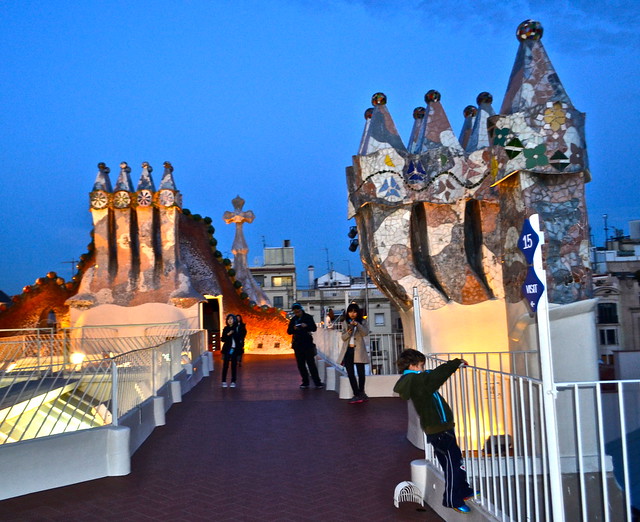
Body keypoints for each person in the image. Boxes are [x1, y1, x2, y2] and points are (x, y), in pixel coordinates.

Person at [393, 349, 476, 514]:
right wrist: (455, 363)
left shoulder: (415, 379)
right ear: (413, 365)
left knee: (452, 462)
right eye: (421, 365)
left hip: (439, 428)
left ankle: (464, 490)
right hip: (440, 429)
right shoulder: (417, 381)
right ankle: (453, 499)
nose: (423, 368)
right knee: (454, 463)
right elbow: (436, 376)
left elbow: (431, 374)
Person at [337, 303, 370, 403]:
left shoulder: (363, 322)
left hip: (359, 350)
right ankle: (356, 394)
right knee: (350, 373)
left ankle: (362, 393)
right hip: (348, 350)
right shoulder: (345, 322)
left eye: (355, 312)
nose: (352, 314)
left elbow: (365, 333)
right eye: (350, 312)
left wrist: (358, 325)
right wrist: (349, 331)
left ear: (357, 313)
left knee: (361, 373)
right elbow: (343, 337)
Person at [287, 303, 324, 389]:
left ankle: (317, 382)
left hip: (307, 344)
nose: (297, 313)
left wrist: (306, 326)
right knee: (301, 364)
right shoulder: (293, 319)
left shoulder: (308, 317)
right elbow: (289, 331)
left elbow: (314, 328)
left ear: (301, 309)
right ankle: (305, 382)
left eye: (298, 311)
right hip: (297, 344)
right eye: (295, 311)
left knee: (311, 364)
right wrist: (294, 329)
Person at [221, 314, 243, 388]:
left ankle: (233, 381)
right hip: (227, 349)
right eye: (228, 319)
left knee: (234, 366)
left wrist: (235, 332)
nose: (230, 320)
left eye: (231, 319)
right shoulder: (226, 328)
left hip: (234, 349)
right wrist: (228, 334)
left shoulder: (237, 328)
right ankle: (223, 381)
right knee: (225, 365)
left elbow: (240, 338)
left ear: (234, 320)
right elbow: (223, 339)